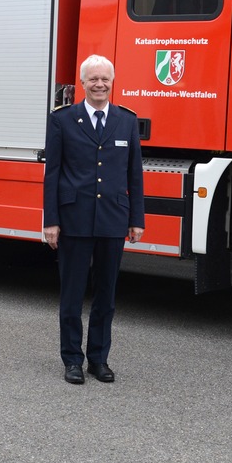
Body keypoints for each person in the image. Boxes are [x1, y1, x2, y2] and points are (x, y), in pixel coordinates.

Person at [42, 55, 145, 384]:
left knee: (106, 295)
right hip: (74, 219)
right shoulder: (63, 120)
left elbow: (134, 174)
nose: (99, 84)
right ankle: (72, 359)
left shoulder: (126, 121)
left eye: (105, 79)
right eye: (93, 79)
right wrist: (51, 220)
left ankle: (98, 359)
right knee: (72, 295)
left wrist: (136, 219)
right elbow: (53, 173)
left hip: (113, 220)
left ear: (112, 82)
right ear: (82, 83)